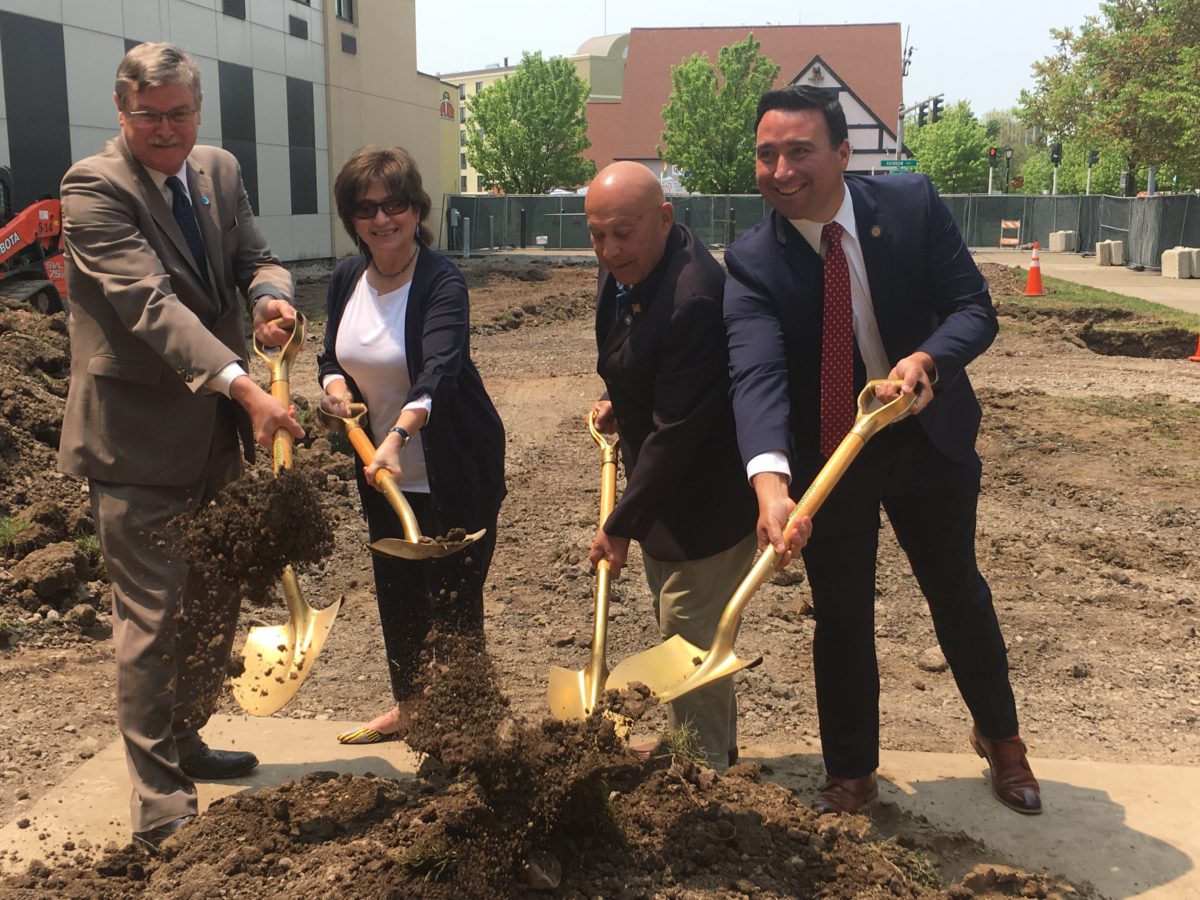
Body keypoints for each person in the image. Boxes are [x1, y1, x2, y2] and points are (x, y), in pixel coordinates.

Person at [723, 85, 1041, 815]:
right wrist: (772, 487)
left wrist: (926, 359)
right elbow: (757, 376)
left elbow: (973, 308)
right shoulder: (751, 262)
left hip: (926, 439)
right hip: (832, 454)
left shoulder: (910, 206)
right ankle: (852, 771)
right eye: (767, 154)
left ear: (842, 152)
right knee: (841, 615)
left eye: (799, 151)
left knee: (957, 592)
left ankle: (1003, 743)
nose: (780, 169)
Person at [57, 43, 305, 853]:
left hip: (213, 443)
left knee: (213, 605)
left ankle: (188, 736)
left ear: (198, 112)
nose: (165, 129)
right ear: (121, 115)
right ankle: (159, 799)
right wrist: (245, 387)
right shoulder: (94, 188)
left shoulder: (219, 171)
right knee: (153, 619)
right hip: (136, 444)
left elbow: (255, 258)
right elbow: (149, 306)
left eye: (179, 113)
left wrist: (271, 301)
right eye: (147, 115)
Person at [584, 162, 805, 769]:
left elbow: (676, 434)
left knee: (689, 631)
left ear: (664, 218)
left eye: (621, 234)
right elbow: (635, 358)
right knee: (684, 624)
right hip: (663, 491)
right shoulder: (630, 267)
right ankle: (706, 741)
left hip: (703, 500)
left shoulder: (695, 297)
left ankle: (702, 769)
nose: (607, 250)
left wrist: (620, 524)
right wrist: (620, 401)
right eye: (596, 235)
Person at [318, 146, 505, 745]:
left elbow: (440, 370)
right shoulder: (348, 277)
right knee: (396, 595)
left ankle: (469, 726)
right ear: (352, 218)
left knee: (452, 603)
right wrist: (332, 388)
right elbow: (331, 354)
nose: (382, 218)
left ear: (416, 208)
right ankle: (413, 708)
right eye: (366, 207)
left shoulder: (441, 280)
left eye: (394, 203)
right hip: (382, 473)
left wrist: (397, 433)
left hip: (454, 467)